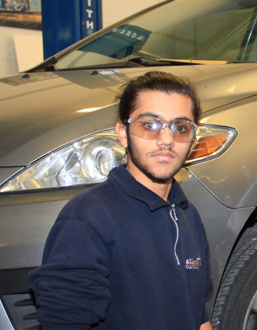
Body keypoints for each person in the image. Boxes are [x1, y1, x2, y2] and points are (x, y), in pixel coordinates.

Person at [29, 71, 213, 330]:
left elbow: (198, 317)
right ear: (123, 133)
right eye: (149, 125)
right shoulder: (87, 219)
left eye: (180, 128)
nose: (166, 139)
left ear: (193, 140)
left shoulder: (188, 216)